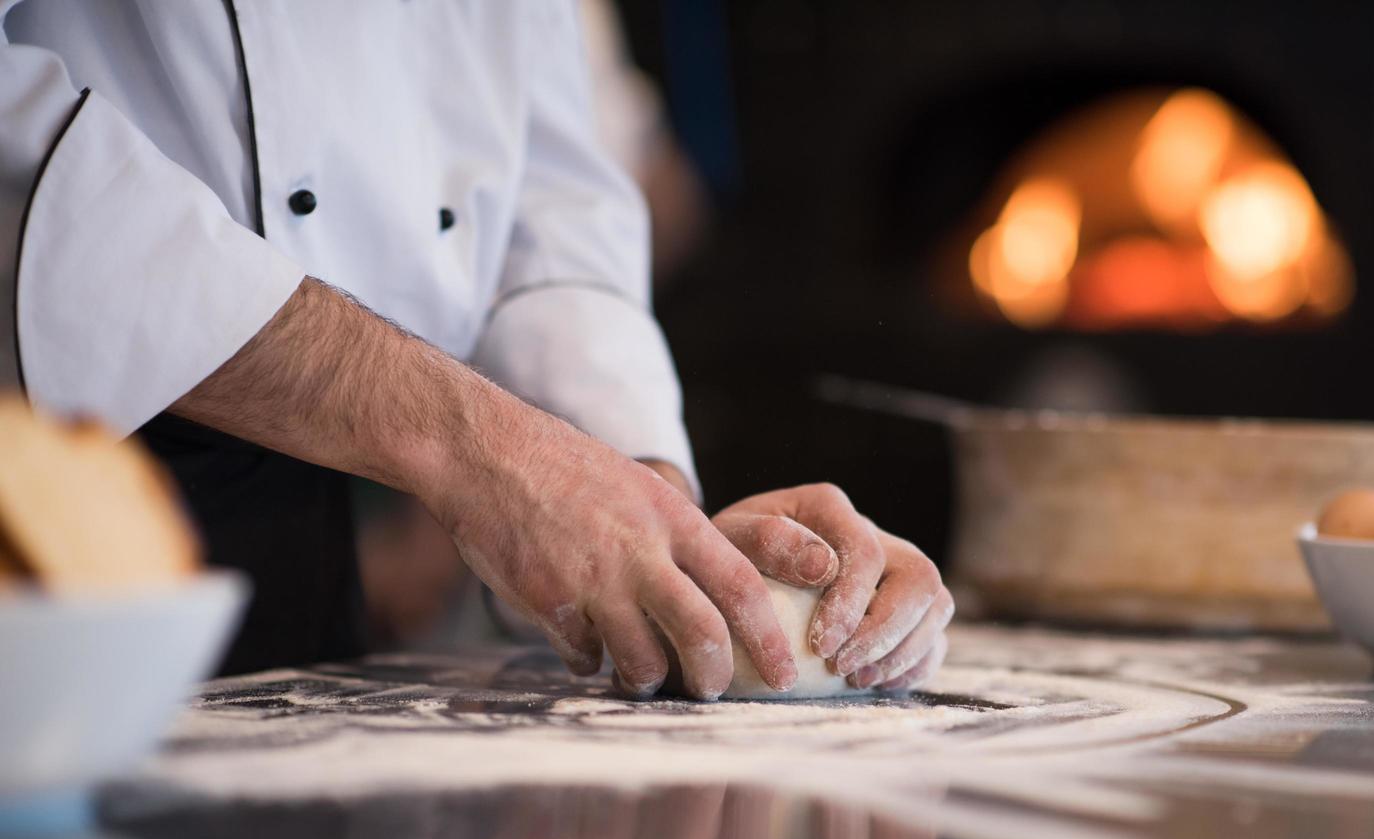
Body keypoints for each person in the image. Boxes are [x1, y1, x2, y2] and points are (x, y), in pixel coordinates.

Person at [0, 1, 952, 697]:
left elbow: (546, 186)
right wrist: (482, 452)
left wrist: (657, 529)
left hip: (312, 531)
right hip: (44, 499)